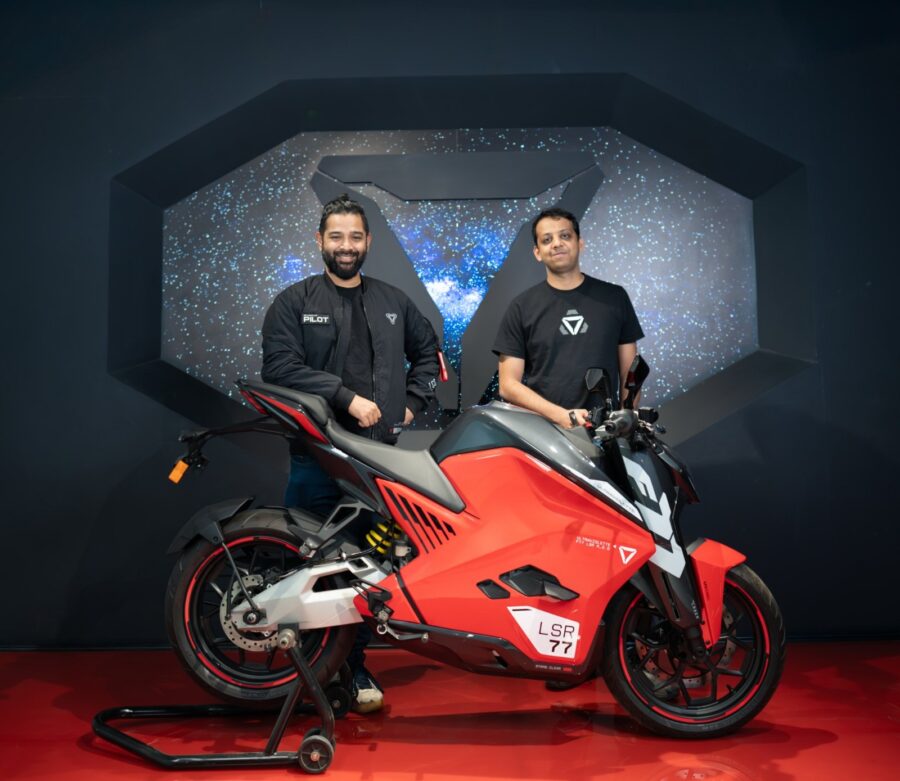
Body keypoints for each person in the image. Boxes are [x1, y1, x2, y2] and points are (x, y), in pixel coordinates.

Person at [261, 194, 440, 713]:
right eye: (336, 236)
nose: (346, 246)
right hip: (314, 457)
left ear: (368, 242)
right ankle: (302, 674)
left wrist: (412, 403)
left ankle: (353, 668)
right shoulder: (293, 302)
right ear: (320, 241)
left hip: (376, 462)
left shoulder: (393, 300)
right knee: (307, 570)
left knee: (366, 572)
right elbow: (279, 368)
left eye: (355, 237)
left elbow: (429, 354)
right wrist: (345, 397)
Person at [493, 206, 644, 427]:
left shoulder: (614, 297)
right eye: (547, 240)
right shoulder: (521, 307)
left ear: (579, 243)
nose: (557, 244)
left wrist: (625, 423)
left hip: (604, 432)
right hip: (544, 434)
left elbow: (630, 373)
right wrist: (560, 415)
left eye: (565, 236)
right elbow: (508, 385)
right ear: (537, 252)